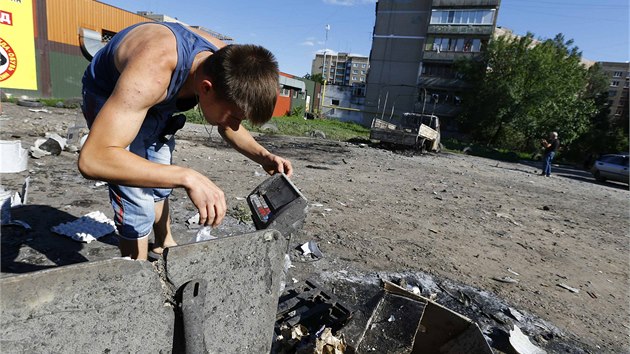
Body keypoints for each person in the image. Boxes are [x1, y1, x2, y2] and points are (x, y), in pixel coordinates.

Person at [79, 22, 293, 260]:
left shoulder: (225, 64)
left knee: (160, 179)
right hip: (110, 94)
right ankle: (137, 278)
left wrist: (263, 156)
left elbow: (227, 124)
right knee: (136, 199)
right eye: (234, 117)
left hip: (155, 102)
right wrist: (187, 176)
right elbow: (94, 159)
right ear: (205, 88)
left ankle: (164, 244)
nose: (234, 125)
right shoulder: (152, 69)